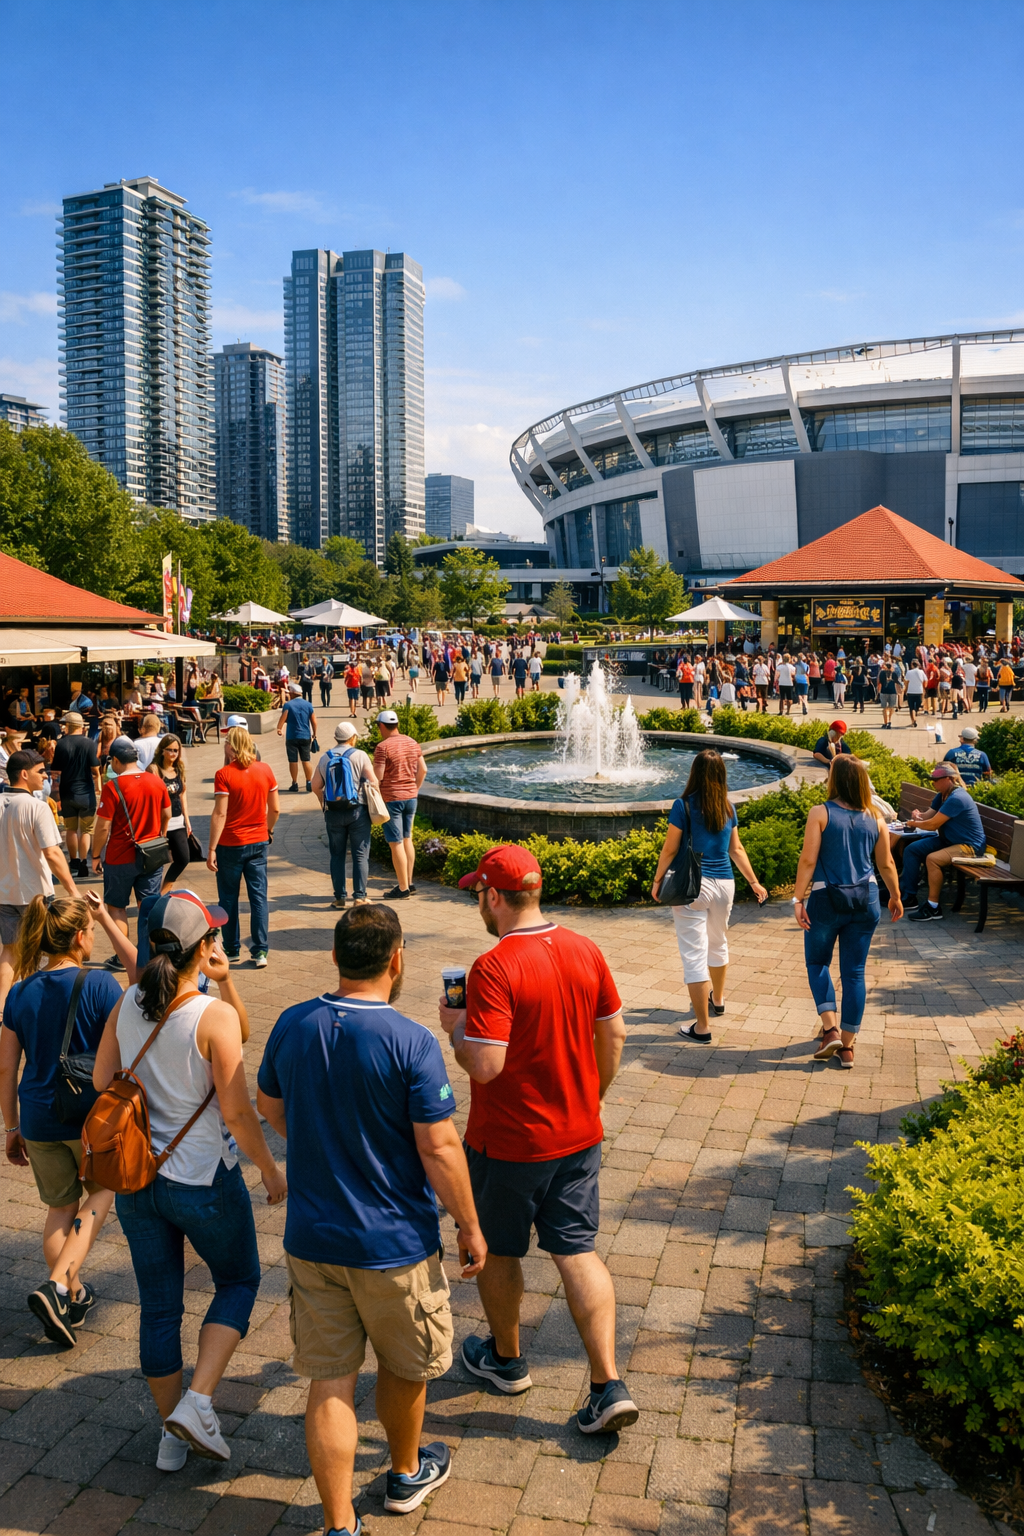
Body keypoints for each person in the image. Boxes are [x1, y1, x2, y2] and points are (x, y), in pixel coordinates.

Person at [257, 905, 486, 1524]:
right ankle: (406, 1474)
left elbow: (268, 1105)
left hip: (313, 1238)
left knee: (329, 1381)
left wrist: (312, 1143)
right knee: (405, 1363)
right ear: (397, 959)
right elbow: (439, 1148)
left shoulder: (293, 1023)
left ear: (334, 956)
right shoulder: (410, 1041)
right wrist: (468, 1224)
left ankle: (338, 1523)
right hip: (395, 1244)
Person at [437, 845, 637, 1435]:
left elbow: (488, 1065)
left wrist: (457, 1033)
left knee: (499, 1250)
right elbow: (616, 1033)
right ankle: (607, 1383)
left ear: (495, 897)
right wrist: (592, 1097)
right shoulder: (585, 948)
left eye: (480, 892)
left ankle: (506, 1358)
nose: (479, 900)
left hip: (509, 1142)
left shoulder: (493, 966)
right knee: (577, 1250)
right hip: (579, 1135)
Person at [93, 891, 286, 1471]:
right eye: (213, 938)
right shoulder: (210, 1018)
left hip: (136, 1177)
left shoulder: (127, 1001)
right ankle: (198, 1401)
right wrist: (270, 1170)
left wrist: (225, 982)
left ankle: (171, 1436)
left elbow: (105, 1078)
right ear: (202, 948)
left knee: (159, 1308)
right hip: (202, 1179)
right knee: (239, 1279)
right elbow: (237, 1113)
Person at [0, 896, 122, 1345]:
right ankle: (57, 1288)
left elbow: (5, 1067)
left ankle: (73, 1294)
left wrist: (11, 1128)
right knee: (105, 1188)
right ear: (78, 937)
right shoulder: (101, 985)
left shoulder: (19, 991)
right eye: (90, 929)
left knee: (59, 1208)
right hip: (89, 1117)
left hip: (37, 1117)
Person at [650, 750, 768, 1041]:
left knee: (694, 955)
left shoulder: (683, 805)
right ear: (721, 776)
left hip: (693, 887)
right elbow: (736, 850)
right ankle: (718, 1000)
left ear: (695, 773)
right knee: (718, 943)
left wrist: (657, 881)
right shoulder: (728, 807)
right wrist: (754, 882)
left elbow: (670, 849)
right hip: (725, 885)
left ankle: (701, 1027)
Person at [794, 757, 902, 1069]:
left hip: (827, 898)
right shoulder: (876, 817)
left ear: (835, 780)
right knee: (854, 972)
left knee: (817, 962)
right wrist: (894, 896)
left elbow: (807, 861)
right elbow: (886, 864)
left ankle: (830, 1030)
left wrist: (797, 900)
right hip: (866, 899)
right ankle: (848, 1047)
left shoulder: (821, 812)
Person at [0, 750, 78, 1023]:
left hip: (4, 892)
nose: (45, 776)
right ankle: (36, 1007)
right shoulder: (37, 806)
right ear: (24, 774)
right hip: (36, 894)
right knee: (45, 952)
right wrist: (73, 890)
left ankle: (2, 1008)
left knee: (10, 950)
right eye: (41, 771)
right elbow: (53, 854)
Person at [91, 738, 170, 966]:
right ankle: (147, 955)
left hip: (119, 857)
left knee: (116, 907)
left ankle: (123, 956)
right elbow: (166, 813)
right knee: (147, 906)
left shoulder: (112, 787)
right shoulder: (156, 782)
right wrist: (159, 835)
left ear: (115, 760)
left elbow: (103, 826)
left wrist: (96, 855)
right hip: (152, 855)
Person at [208, 726, 279, 967]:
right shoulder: (265, 769)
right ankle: (260, 951)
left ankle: (231, 948)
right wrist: (267, 830)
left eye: (226, 742)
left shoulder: (224, 774)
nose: (224, 746)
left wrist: (210, 849)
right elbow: (276, 809)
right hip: (258, 841)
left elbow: (220, 813)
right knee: (259, 897)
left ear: (232, 746)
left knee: (228, 898)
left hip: (230, 844)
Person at [894, 763, 987, 920]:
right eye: (932, 779)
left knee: (933, 859)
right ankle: (909, 896)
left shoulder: (957, 797)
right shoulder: (942, 795)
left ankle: (933, 907)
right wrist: (918, 817)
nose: (933, 782)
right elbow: (929, 816)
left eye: (936, 779)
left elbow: (933, 825)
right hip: (949, 841)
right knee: (912, 849)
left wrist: (914, 824)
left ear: (949, 779)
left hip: (969, 846)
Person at [313, 721, 381, 909]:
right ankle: (359, 896)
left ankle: (339, 898)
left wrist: (324, 804)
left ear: (336, 738)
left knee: (337, 855)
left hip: (333, 813)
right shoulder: (360, 755)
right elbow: (373, 782)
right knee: (360, 854)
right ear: (352, 738)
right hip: (357, 811)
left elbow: (315, 786)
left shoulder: (325, 757)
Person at [373, 710, 427, 901]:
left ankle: (402, 888)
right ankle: (409, 882)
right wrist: (415, 788)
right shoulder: (412, 742)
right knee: (407, 839)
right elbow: (424, 769)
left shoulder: (382, 748)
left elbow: (377, 778)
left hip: (392, 798)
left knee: (395, 843)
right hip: (411, 797)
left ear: (381, 726)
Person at [51, 711, 101, 878]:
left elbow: (56, 770)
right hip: (86, 794)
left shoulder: (61, 744)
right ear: (81, 727)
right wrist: (98, 786)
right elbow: (95, 769)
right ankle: (82, 863)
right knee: (86, 830)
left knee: (71, 829)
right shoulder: (90, 743)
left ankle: (73, 861)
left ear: (68, 726)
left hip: (67, 793)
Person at [149, 735, 194, 892]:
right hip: (159, 823)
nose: (174, 754)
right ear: (162, 751)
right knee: (156, 862)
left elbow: (183, 796)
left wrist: (187, 821)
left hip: (177, 821)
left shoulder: (179, 769)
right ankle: (151, 894)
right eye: (170, 750)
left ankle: (164, 891)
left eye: (177, 750)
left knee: (183, 858)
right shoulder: (154, 769)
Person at [276, 682, 318, 794]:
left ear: (294, 693)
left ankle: (294, 783)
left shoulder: (288, 705)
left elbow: (283, 717)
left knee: (293, 761)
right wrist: (314, 733)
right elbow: (313, 720)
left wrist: (279, 728)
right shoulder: (308, 704)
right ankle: (309, 782)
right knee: (306, 759)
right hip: (305, 736)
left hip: (292, 737)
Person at [904, 661, 927, 728]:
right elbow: (925, 680)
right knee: (917, 706)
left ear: (912, 665)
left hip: (910, 691)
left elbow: (906, 681)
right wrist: (924, 688)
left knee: (911, 707)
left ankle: (913, 720)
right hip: (919, 691)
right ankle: (914, 719)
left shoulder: (909, 672)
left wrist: (905, 690)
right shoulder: (921, 672)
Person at [878, 658, 898, 729]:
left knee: (885, 708)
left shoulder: (882, 673)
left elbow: (879, 682)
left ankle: (885, 722)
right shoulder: (894, 673)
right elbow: (897, 682)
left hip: (884, 691)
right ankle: (889, 720)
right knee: (891, 707)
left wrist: (878, 691)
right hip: (892, 691)